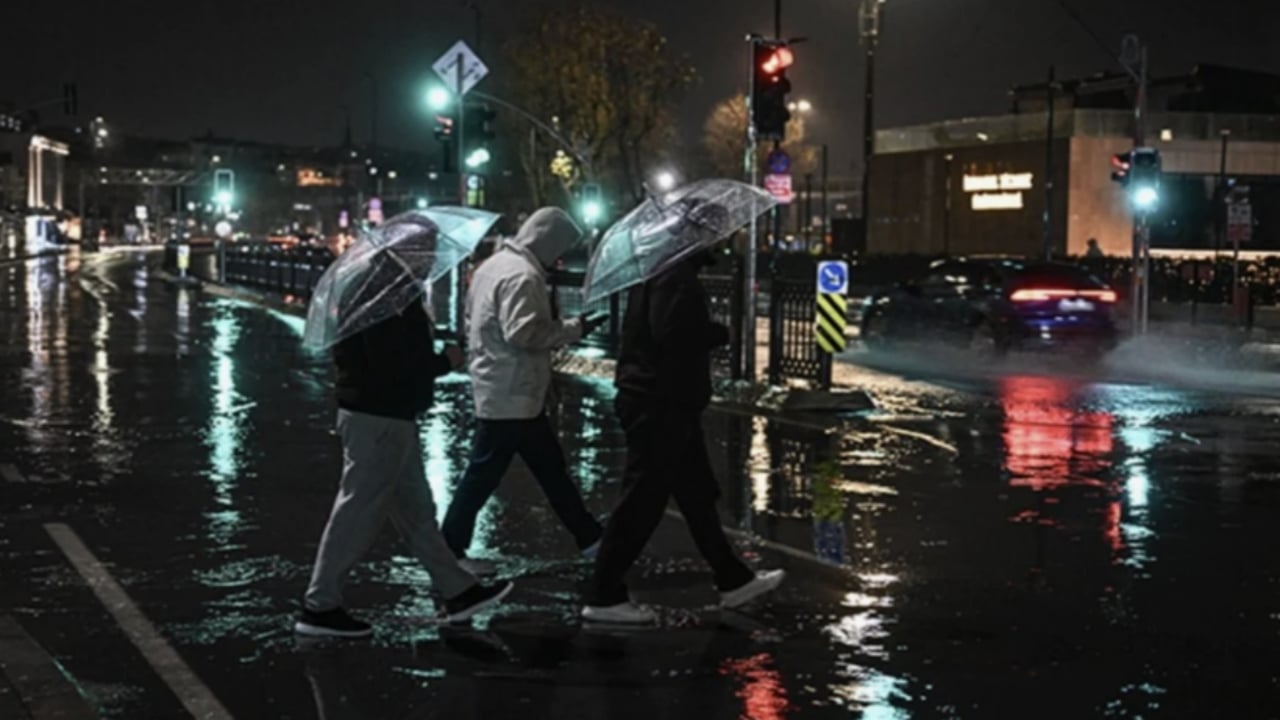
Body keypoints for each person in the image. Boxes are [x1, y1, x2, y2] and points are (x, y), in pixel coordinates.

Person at [582, 204, 785, 625]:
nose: (722, 240)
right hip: (660, 403)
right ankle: (603, 595)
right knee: (642, 502)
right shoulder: (674, 276)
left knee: (696, 497)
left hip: (666, 401)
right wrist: (717, 332)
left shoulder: (665, 269)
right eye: (716, 232)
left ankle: (733, 579)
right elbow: (672, 335)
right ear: (698, 234)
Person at [296, 295, 513, 638]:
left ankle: (458, 590)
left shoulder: (380, 291)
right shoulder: (385, 298)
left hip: (387, 415)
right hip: (380, 417)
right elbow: (393, 362)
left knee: (416, 511)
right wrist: (444, 361)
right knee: (358, 509)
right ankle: (319, 605)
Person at [441, 208, 606, 568]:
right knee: (492, 475)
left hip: (499, 386)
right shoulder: (524, 276)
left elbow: (473, 320)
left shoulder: (492, 267)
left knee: (544, 470)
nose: (559, 257)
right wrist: (573, 329)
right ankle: (448, 549)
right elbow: (524, 333)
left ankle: (590, 537)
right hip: (513, 391)